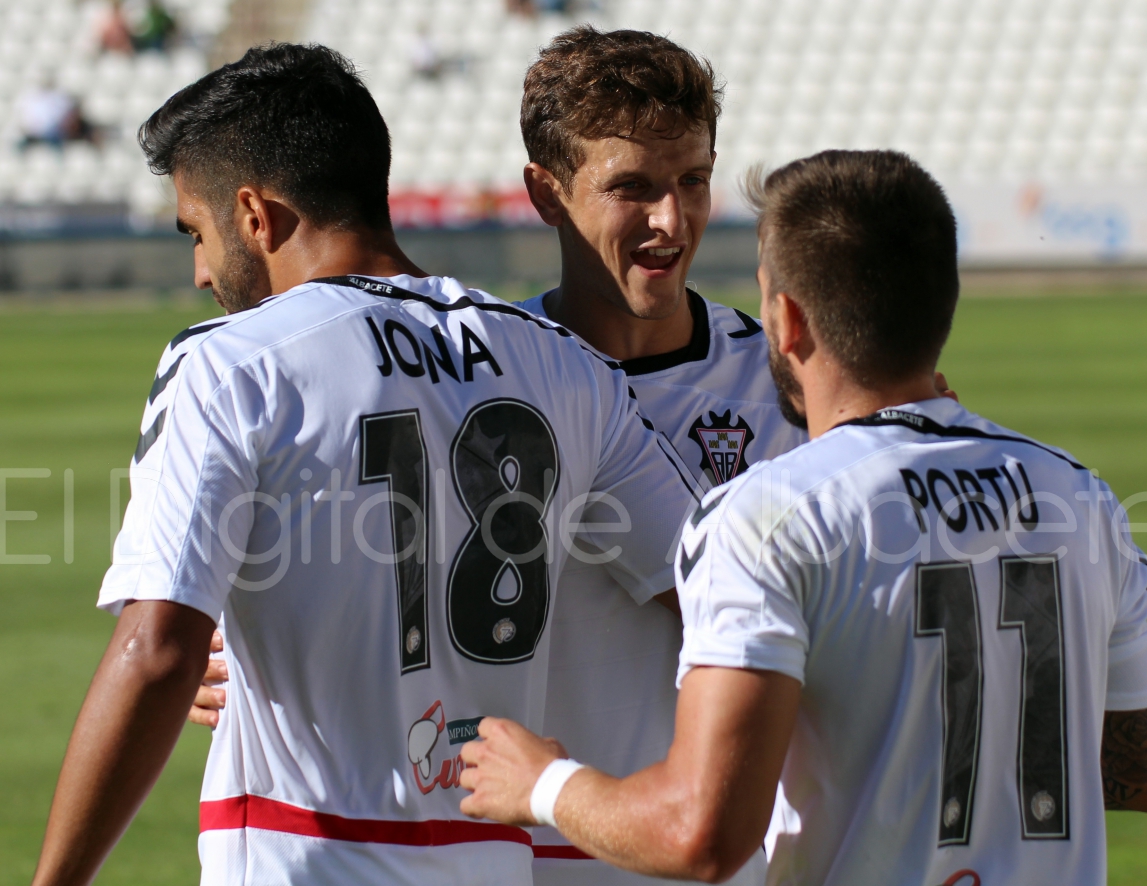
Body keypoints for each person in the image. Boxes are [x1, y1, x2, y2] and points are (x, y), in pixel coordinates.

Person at [30, 43, 703, 886]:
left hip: (304, 859)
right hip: (489, 865)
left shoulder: (232, 362)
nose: (201, 270)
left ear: (254, 213)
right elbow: (720, 592)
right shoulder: (566, 367)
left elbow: (159, 649)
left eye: (196, 233)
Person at [459, 150, 1147, 885]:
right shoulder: (1081, 499)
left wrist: (542, 782)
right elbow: (1140, 777)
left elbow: (699, 835)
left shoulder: (767, 516)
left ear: (788, 320)